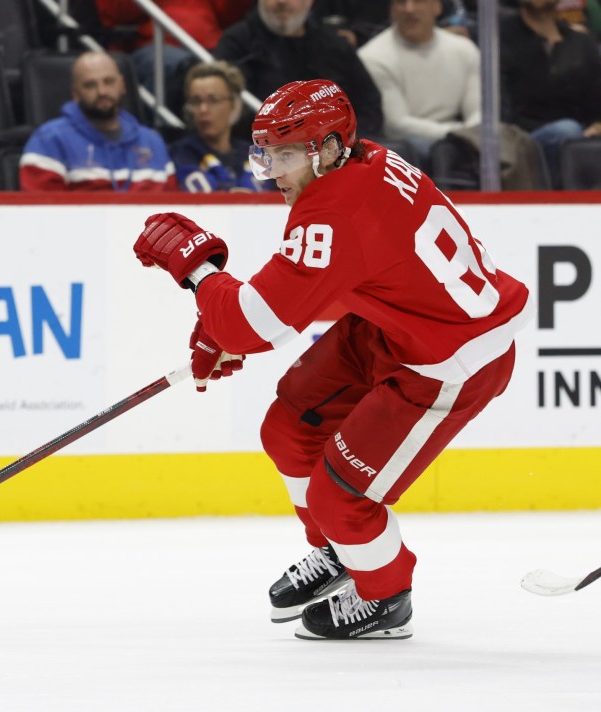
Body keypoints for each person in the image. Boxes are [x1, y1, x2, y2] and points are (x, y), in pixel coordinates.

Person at [132, 79, 531, 640]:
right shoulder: (363, 163)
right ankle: (340, 553)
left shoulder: (334, 208)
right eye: (266, 153)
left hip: (450, 361)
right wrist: (224, 323)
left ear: (328, 149)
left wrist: (200, 276)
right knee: (288, 428)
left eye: (286, 155)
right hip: (394, 328)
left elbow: (257, 325)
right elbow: (339, 281)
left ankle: (385, 596)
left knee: (338, 497)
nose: (273, 172)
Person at [213, 0, 384, 137]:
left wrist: (346, 141)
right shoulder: (236, 44)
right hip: (270, 152)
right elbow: (234, 113)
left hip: (337, 149)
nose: (281, 2)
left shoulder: (333, 45)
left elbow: (369, 104)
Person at [19, 51, 175, 192]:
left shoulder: (153, 142)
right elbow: (42, 215)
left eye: (109, 82)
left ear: (122, 85)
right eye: (90, 85)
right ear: (75, 93)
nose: (102, 92)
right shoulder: (49, 140)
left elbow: (173, 209)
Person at [358, 0, 481, 160]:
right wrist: (459, 134)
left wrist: (470, 134)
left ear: (437, 7)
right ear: (391, 10)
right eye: (401, 3)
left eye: (419, 1)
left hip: (462, 138)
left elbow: (480, 112)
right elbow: (396, 125)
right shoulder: (372, 57)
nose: (409, 9)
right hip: (408, 147)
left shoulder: (465, 50)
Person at [500, 0, 601, 188]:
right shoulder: (501, 40)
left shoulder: (580, 43)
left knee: (573, 134)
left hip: (579, 134)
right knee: (566, 130)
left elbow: (596, 100)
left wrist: (597, 125)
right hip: (520, 137)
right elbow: (502, 109)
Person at [93, 0, 252, 94]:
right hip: (155, 46)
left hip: (208, 47)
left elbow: (232, 13)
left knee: (242, 63)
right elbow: (115, 14)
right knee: (175, 64)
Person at [170, 60, 264, 192]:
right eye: (196, 101)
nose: (203, 109)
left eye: (213, 100)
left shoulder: (253, 154)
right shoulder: (179, 155)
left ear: (234, 104)